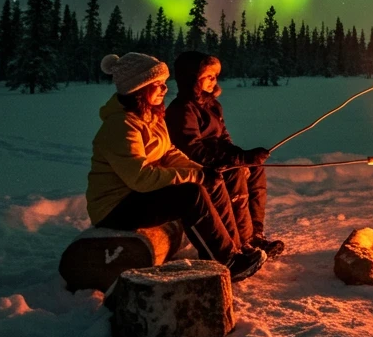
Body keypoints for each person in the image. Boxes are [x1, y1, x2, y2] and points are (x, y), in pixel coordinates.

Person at [86, 52, 266, 282]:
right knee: (190, 195)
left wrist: (201, 172)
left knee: (212, 179)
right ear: (138, 87)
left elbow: (170, 153)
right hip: (115, 206)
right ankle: (225, 261)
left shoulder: (150, 116)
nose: (164, 89)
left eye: (163, 83)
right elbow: (140, 177)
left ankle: (235, 249)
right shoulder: (120, 126)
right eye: (157, 84)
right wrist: (194, 176)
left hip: (138, 195)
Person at [166, 51, 285, 260]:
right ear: (193, 78)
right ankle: (242, 243)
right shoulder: (183, 109)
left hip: (218, 159)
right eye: (209, 76)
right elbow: (192, 150)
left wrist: (244, 157)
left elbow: (225, 140)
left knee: (255, 170)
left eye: (215, 76)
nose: (214, 81)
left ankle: (256, 235)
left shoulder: (212, 105)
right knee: (235, 174)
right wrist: (236, 161)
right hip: (200, 166)